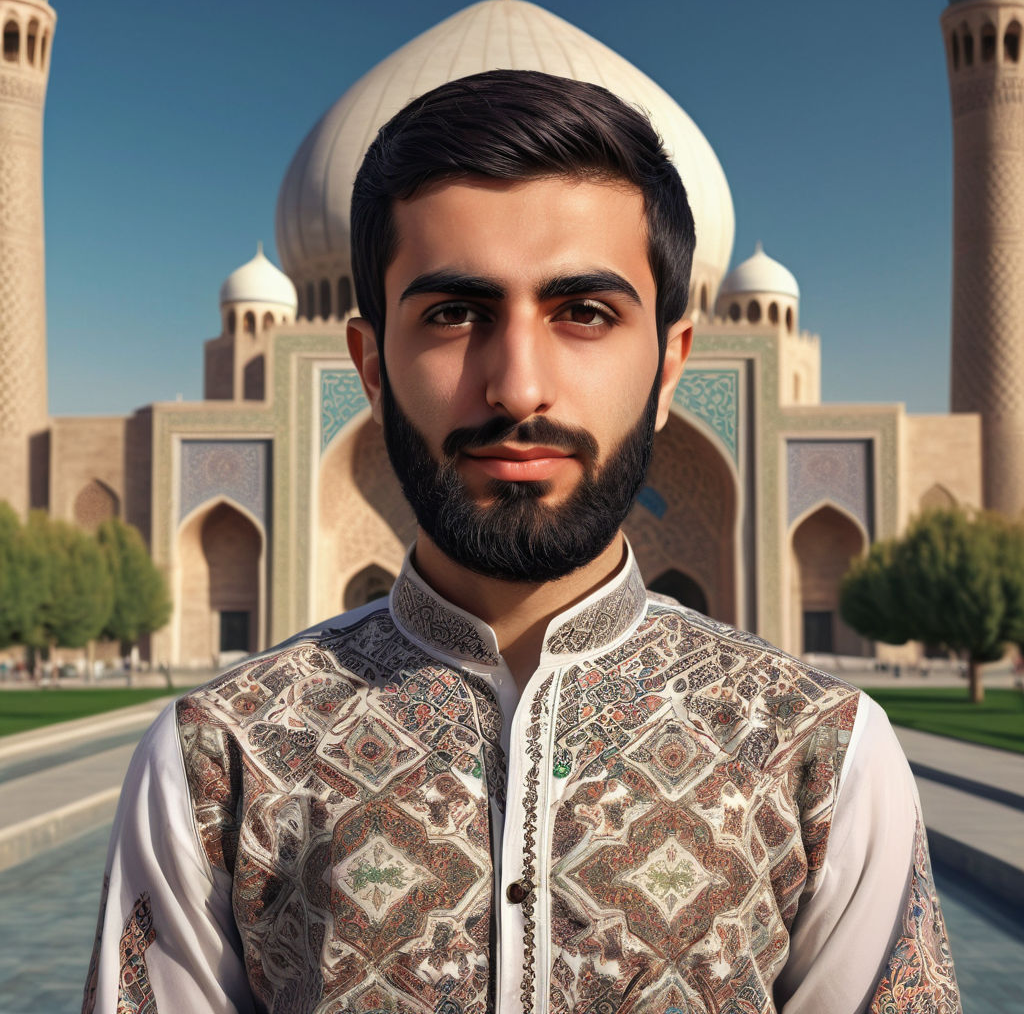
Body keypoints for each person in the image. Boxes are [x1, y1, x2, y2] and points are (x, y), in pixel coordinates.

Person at [83, 70, 960, 1014]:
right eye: (455, 313)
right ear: (370, 369)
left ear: (672, 366)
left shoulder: (818, 759)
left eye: (584, 312)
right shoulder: (222, 761)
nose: (517, 386)